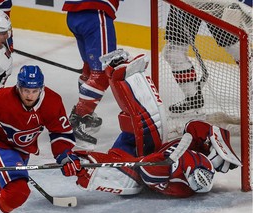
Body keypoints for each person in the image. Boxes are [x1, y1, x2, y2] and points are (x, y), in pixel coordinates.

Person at [72, 50, 241, 197]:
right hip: (151, 146)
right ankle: (123, 69)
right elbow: (196, 127)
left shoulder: (177, 187)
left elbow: (147, 173)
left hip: (138, 157)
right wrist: (206, 144)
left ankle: (83, 164)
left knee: (129, 182)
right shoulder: (205, 161)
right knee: (149, 122)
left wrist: (163, 161)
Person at [0, 65, 84, 213]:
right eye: (26, 91)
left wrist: (64, 154)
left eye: (34, 91)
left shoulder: (52, 102)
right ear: (18, 87)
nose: (30, 96)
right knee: (17, 191)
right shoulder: (0, 98)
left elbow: (60, 131)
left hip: (22, 151)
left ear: (41, 88)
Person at [163, 0, 252, 113]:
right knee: (172, 52)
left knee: (237, 49)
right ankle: (193, 98)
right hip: (186, 1)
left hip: (215, 3)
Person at [62, 0, 122, 145]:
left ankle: (85, 113)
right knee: (101, 73)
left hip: (74, 14)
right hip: (95, 12)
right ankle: (79, 118)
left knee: (90, 68)